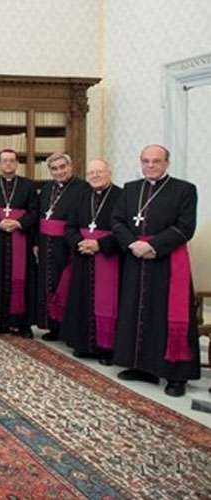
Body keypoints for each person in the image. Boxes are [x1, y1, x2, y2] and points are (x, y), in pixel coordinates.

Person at [111, 145, 199, 397]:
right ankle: (141, 366)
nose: (150, 165)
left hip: (167, 262)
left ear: (167, 163)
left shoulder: (184, 190)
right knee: (136, 312)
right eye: (145, 161)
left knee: (165, 314)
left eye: (156, 161)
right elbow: (117, 221)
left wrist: (152, 245)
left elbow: (185, 228)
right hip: (135, 258)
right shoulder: (130, 189)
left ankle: (175, 375)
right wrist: (132, 243)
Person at [59, 159, 122, 363]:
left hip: (108, 258)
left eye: (99, 172)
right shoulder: (81, 196)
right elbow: (69, 227)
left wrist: (100, 245)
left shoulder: (121, 196)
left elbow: (125, 230)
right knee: (82, 299)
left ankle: (106, 348)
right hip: (83, 257)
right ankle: (84, 344)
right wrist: (80, 242)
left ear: (109, 172)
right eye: (91, 173)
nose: (95, 176)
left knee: (108, 302)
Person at [0, 148, 38, 337]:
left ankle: (22, 324)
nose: (8, 164)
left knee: (22, 280)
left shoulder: (28, 185)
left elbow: (34, 212)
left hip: (20, 239)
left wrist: (18, 223)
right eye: (4, 160)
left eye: (12, 160)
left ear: (17, 163)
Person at [35, 153, 89, 341]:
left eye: (62, 167)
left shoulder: (83, 188)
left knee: (66, 285)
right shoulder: (47, 188)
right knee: (48, 284)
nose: (59, 172)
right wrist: (36, 242)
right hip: (45, 244)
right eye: (54, 169)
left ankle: (68, 328)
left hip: (67, 245)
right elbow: (39, 218)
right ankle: (53, 326)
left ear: (70, 166)